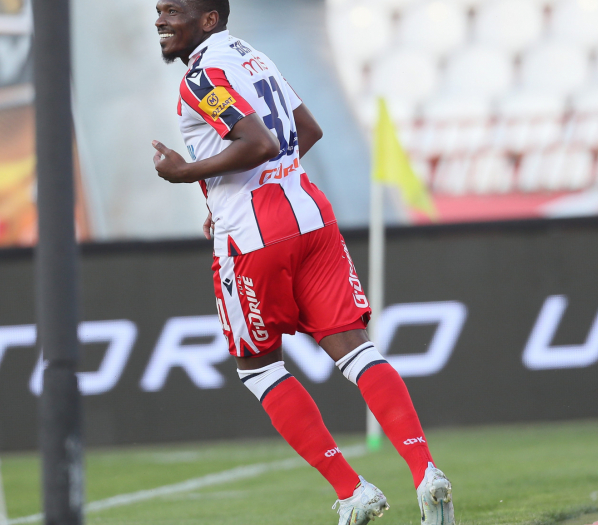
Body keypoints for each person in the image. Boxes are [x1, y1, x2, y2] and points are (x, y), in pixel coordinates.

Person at [150, 1, 455, 523]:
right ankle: (425, 471)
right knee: (356, 351)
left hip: (252, 236)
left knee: (259, 368)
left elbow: (258, 142)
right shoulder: (255, 58)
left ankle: (352, 491)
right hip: (311, 215)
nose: (160, 20)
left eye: (173, 11)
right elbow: (306, 130)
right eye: (158, 10)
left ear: (208, 19)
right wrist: (226, 192)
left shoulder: (201, 78)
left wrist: (186, 174)